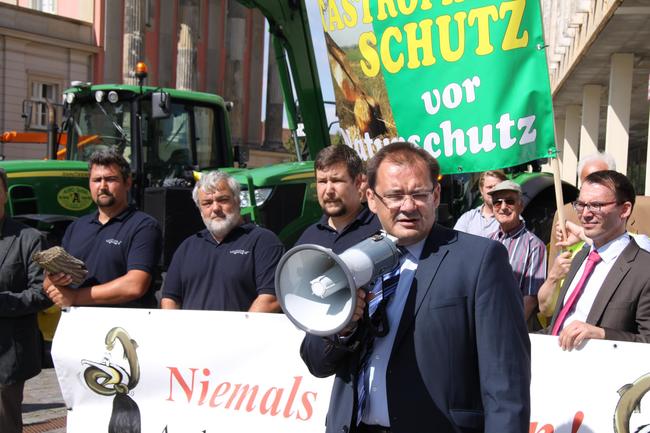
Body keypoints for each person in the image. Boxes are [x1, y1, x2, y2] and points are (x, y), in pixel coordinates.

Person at [301, 142, 530, 433]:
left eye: (419, 194)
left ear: (435, 196)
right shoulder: (349, 259)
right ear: (371, 199)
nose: (408, 206)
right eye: (395, 195)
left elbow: (506, 383)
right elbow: (315, 361)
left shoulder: (481, 260)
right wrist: (343, 327)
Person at [545, 170, 650, 351]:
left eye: (596, 205)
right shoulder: (580, 258)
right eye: (581, 204)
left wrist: (602, 334)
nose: (585, 214)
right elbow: (558, 327)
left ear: (624, 210)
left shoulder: (644, 269)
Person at [43, 150, 162, 308]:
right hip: (77, 324)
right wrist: (53, 280)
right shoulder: (77, 227)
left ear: (127, 182)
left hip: (123, 328)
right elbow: (47, 284)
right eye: (97, 180)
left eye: (111, 179)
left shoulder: (144, 226)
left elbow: (135, 285)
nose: (103, 186)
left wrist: (75, 297)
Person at [160, 170, 284, 312]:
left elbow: (270, 299)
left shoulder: (263, 242)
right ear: (200, 209)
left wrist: (239, 333)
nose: (215, 208)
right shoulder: (187, 247)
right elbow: (170, 299)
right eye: (207, 203)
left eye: (223, 200)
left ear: (237, 200)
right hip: (192, 334)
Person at [0, 168, 51, 433]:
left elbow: (42, 294)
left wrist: (3, 302)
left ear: (3, 195)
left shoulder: (29, 239)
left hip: (6, 356)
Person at [295, 145, 381, 254]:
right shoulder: (307, 241)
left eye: (336, 180)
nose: (328, 190)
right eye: (322, 181)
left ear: (358, 182)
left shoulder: (382, 228)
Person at [488, 180, 546, 322]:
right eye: (497, 202)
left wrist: (512, 327)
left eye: (509, 201)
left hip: (513, 324)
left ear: (521, 205)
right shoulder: (488, 241)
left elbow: (531, 297)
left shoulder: (534, 246)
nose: (503, 207)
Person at [453, 170, 507, 237]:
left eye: (498, 187)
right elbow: (456, 244)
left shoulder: (512, 219)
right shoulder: (467, 218)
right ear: (481, 190)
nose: (494, 191)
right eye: (489, 187)